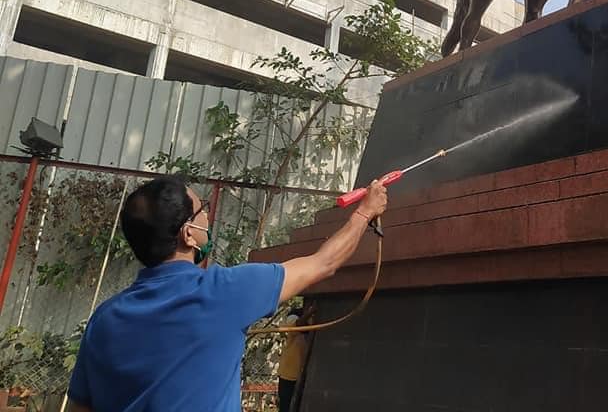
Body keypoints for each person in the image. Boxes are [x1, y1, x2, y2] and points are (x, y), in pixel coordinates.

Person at [65, 175, 387, 412]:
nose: (208, 215)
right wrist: (364, 212)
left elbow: (82, 407)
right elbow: (324, 263)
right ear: (188, 234)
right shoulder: (224, 293)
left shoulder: (103, 320)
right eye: (202, 209)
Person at [276, 304, 312, 412]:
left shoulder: (310, 322)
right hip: (288, 375)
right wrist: (310, 312)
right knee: (286, 406)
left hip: (302, 374)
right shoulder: (293, 316)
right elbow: (297, 325)